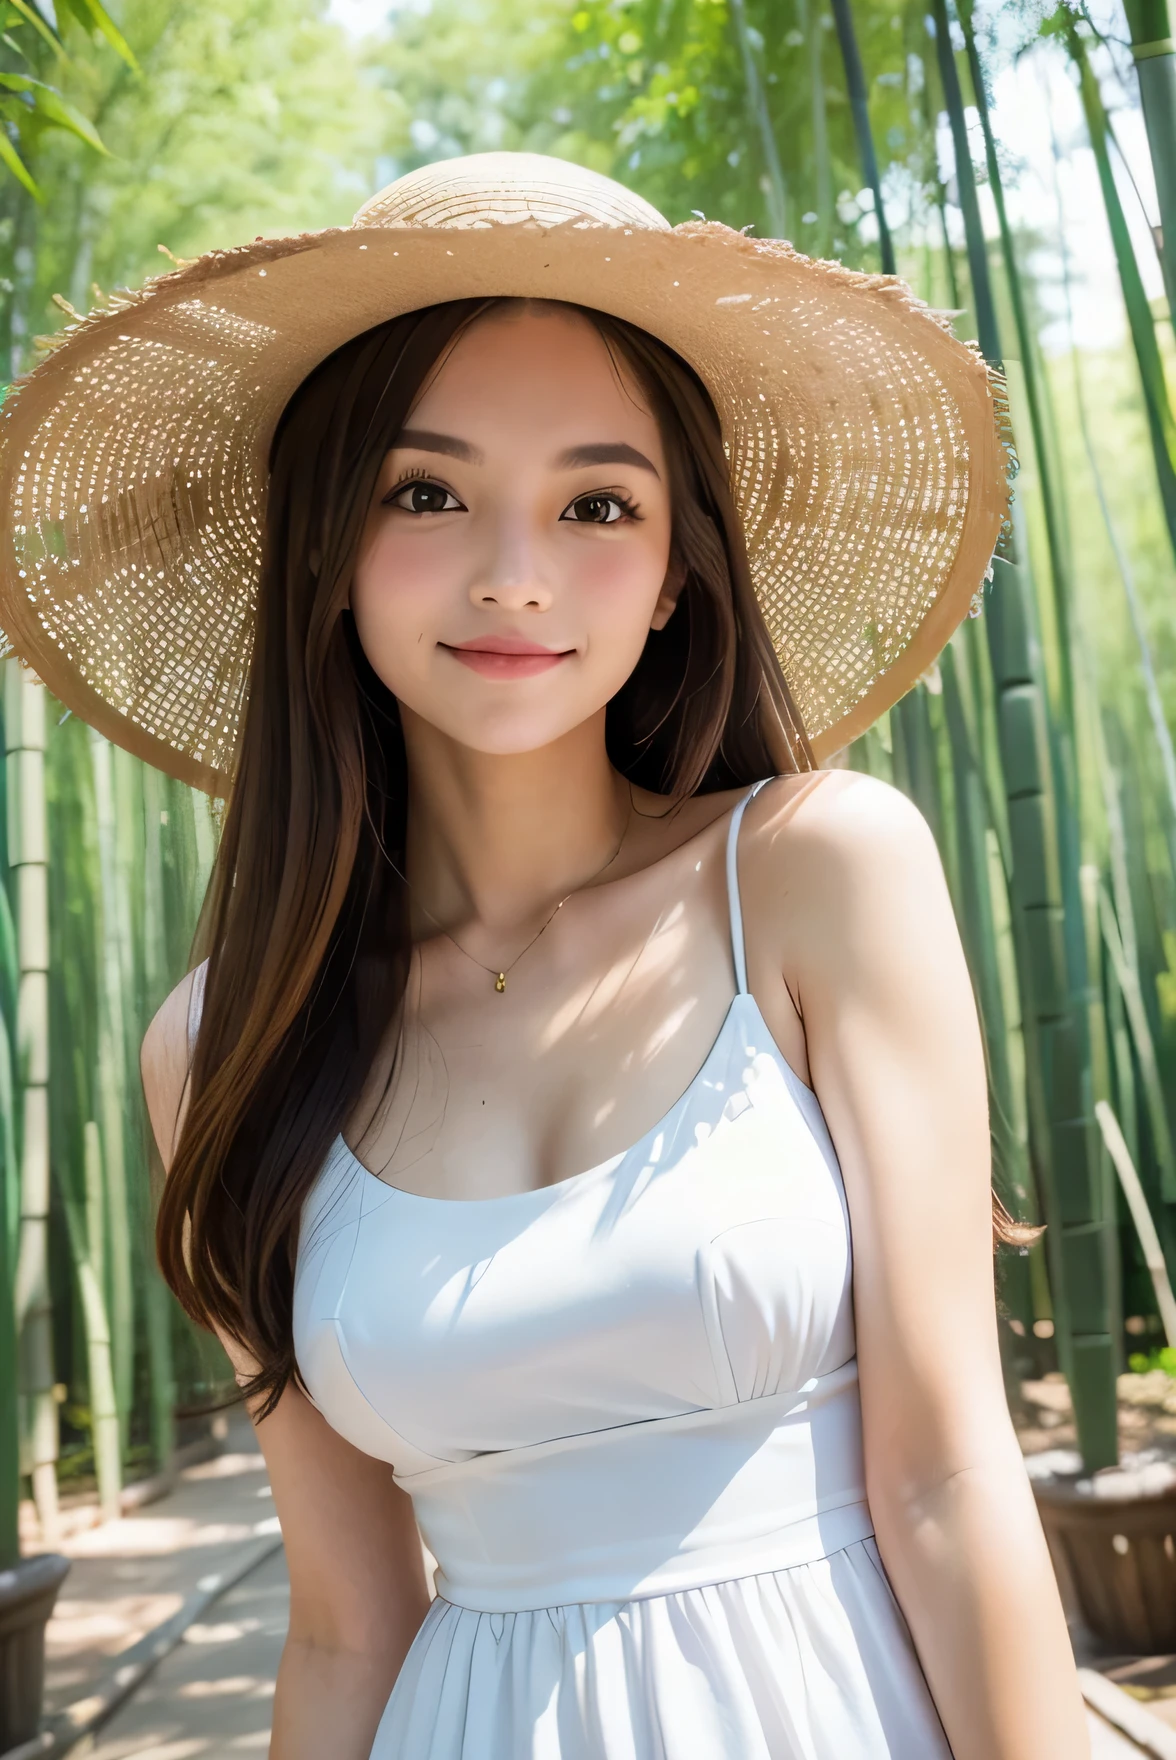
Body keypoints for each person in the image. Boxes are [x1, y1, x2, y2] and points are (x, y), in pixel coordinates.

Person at [0, 154, 1088, 1759]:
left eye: (598, 504)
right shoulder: (227, 1042)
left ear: (674, 576)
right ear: (326, 548)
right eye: (427, 492)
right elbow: (344, 1621)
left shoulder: (814, 873)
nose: (515, 570)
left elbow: (943, 1481)